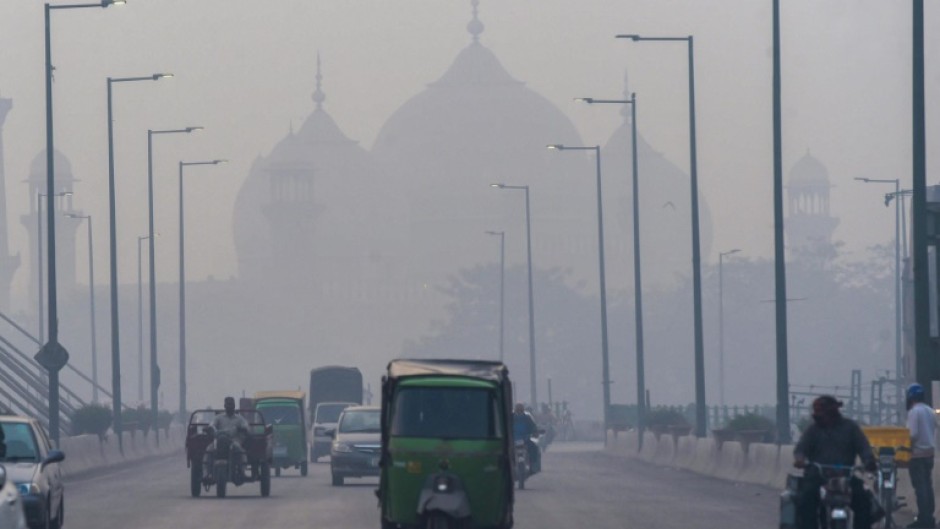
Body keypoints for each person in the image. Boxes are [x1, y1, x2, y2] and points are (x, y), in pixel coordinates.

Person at [793, 395, 876, 529]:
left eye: (822, 412)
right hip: (818, 478)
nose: (818, 415)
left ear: (832, 412)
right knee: (806, 500)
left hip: (846, 478)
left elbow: (864, 448)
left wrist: (869, 461)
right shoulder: (812, 430)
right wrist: (800, 459)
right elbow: (800, 449)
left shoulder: (851, 428)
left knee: (864, 501)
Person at [905, 383, 936, 528]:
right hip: (929, 454)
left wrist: (905, 445)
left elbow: (913, 434)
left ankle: (924, 519)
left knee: (920, 488)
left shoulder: (914, 412)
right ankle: (929, 517)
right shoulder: (930, 411)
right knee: (927, 486)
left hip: (917, 455)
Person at [512, 403, 540, 474]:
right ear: (515, 409)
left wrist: (535, 432)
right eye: (518, 409)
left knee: (534, 448)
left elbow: (533, 427)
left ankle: (532, 466)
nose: (519, 411)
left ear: (523, 409)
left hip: (525, 439)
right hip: (512, 440)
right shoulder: (511, 417)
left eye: (520, 409)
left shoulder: (527, 417)